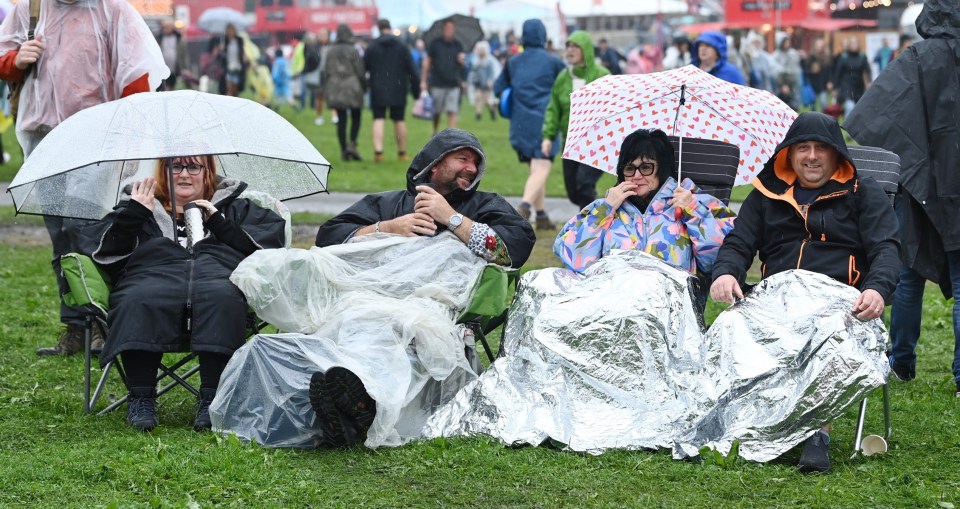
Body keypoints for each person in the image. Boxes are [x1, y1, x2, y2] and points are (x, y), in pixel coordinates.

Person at [311, 129, 536, 445]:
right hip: (372, 299)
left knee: (407, 331)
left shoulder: (484, 205)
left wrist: (453, 219)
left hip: (435, 309)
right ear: (434, 164)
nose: (471, 168)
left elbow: (514, 247)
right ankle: (351, 405)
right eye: (462, 159)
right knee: (357, 328)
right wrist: (387, 228)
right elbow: (329, 235)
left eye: (476, 163)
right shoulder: (390, 204)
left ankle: (360, 404)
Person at [709, 111, 900, 472]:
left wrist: (876, 289)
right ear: (789, 155)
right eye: (803, 148)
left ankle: (816, 434)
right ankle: (732, 423)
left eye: (821, 149)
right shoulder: (766, 195)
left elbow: (886, 249)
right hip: (776, 297)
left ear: (836, 155)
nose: (811, 156)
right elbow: (738, 242)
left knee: (824, 335)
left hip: (838, 299)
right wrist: (725, 273)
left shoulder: (864, 193)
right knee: (730, 327)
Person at [0, 0, 169, 356]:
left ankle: (101, 324)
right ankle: (75, 326)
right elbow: (3, 61)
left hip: (96, 142)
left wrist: (128, 136)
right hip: (45, 140)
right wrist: (16, 60)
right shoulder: (29, 9)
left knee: (92, 235)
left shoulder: (114, 11)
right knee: (61, 238)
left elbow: (137, 71)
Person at [79, 156, 286, 431]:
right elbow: (106, 252)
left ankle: (213, 399)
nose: (184, 175)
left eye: (193, 167)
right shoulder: (140, 206)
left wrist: (220, 224)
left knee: (222, 296)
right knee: (139, 298)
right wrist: (135, 214)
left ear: (208, 172)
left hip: (217, 276)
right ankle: (141, 397)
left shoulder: (236, 208)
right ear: (162, 173)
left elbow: (268, 253)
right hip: (152, 275)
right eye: (175, 167)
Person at [845, 0, 960, 396]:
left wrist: (910, 163)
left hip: (919, 183)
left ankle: (901, 363)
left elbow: (877, 114)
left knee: (909, 273)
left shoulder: (918, 56)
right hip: (941, 180)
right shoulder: (920, 56)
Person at [554, 128, 736, 277]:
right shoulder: (606, 207)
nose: (637, 176)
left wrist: (694, 211)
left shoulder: (693, 204)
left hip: (671, 309)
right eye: (629, 168)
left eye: (646, 167)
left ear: (663, 168)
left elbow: (716, 262)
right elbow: (574, 262)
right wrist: (605, 210)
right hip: (613, 307)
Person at [494, 19, 565, 230]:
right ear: (543, 35)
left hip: (521, 124)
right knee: (542, 166)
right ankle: (523, 209)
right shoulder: (553, 62)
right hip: (546, 123)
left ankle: (541, 215)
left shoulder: (513, 62)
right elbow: (568, 87)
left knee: (535, 169)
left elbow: (499, 89)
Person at [541, 31, 610, 209]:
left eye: (575, 46)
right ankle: (593, 215)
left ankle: (589, 225)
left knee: (584, 185)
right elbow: (553, 108)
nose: (570, 50)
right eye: (568, 46)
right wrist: (548, 136)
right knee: (573, 191)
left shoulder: (602, 75)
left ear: (585, 49)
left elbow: (613, 106)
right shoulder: (563, 78)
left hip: (596, 141)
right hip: (570, 142)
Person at [364, 18, 420, 163]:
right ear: (390, 27)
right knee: (399, 120)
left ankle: (378, 153)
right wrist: (416, 91)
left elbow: (364, 68)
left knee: (378, 118)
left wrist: (366, 86)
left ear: (379, 28)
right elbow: (413, 70)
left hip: (378, 88)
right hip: (399, 88)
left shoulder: (372, 46)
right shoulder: (402, 46)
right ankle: (402, 153)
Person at [324, 23, 366, 161]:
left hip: (336, 87)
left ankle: (343, 149)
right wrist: (364, 86)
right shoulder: (353, 50)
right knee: (356, 116)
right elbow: (360, 71)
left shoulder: (330, 51)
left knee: (341, 119)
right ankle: (352, 144)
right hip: (352, 86)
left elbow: (326, 71)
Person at [421, 20, 465, 133]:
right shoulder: (435, 44)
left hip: (453, 82)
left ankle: (452, 135)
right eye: (447, 28)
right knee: (436, 111)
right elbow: (427, 62)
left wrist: (461, 60)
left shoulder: (458, 45)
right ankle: (435, 130)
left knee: (452, 110)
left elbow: (462, 65)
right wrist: (423, 81)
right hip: (437, 82)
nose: (449, 31)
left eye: (451, 28)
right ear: (443, 29)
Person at [829, 37, 870, 118]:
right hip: (846, 87)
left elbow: (868, 70)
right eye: (852, 43)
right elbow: (838, 74)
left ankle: (855, 127)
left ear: (858, 45)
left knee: (857, 108)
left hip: (858, 87)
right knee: (849, 106)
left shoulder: (862, 57)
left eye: (855, 43)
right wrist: (835, 88)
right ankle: (848, 127)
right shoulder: (844, 58)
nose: (853, 45)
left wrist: (869, 82)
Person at [467, 41, 499, 122]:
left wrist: (490, 80)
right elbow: (473, 72)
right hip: (478, 83)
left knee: (486, 101)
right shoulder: (475, 61)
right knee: (478, 97)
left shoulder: (489, 62)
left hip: (486, 83)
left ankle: (492, 111)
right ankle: (478, 114)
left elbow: (491, 72)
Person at [218, 23, 249, 97]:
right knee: (229, 90)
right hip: (228, 68)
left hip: (238, 68)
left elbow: (242, 52)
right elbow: (222, 57)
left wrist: (244, 57)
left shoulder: (239, 40)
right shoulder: (225, 42)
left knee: (235, 90)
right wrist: (221, 49)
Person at [157, 18, 188, 91]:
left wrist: (185, 68)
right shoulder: (159, 38)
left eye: (168, 27)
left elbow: (184, 55)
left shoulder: (179, 39)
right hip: (162, 67)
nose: (166, 29)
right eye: (165, 27)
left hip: (175, 68)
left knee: (173, 87)